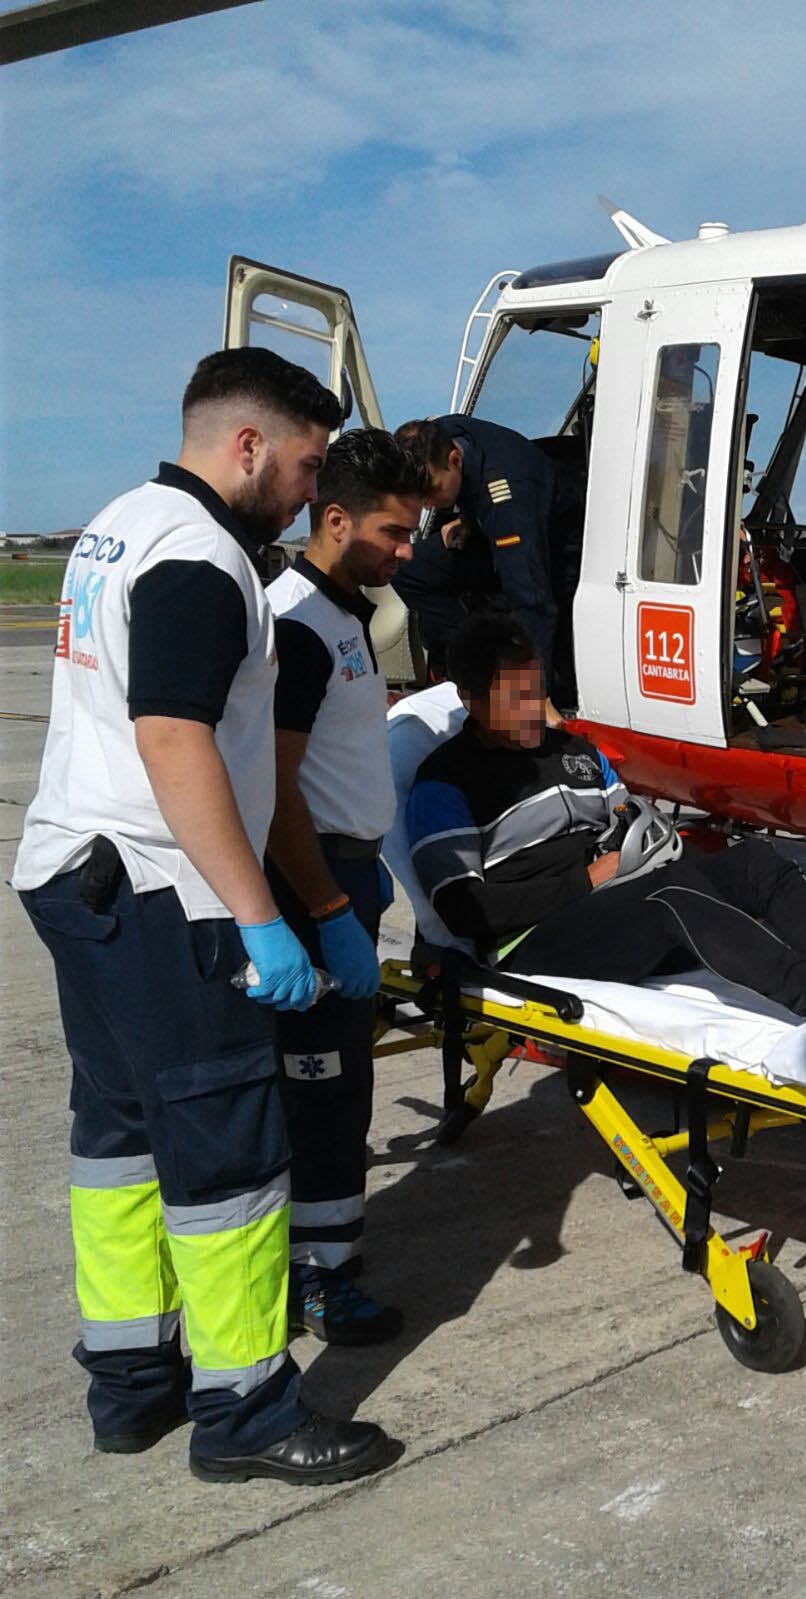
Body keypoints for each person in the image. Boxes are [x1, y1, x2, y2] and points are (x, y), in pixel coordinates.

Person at [14, 348, 400, 1483]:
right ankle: (248, 1413)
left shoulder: (115, 525)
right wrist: (259, 916)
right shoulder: (199, 556)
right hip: (156, 890)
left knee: (120, 1137)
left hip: (73, 874)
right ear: (247, 447)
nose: (307, 487)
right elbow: (175, 738)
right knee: (228, 1150)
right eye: (304, 462)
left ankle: (130, 1384)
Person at [406, 613, 806, 1011]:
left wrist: (646, 837)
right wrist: (590, 878)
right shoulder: (446, 781)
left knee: (753, 862)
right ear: (471, 699)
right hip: (536, 942)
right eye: (513, 696)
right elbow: (465, 911)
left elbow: (628, 816)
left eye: (535, 689)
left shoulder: (573, 753)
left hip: (623, 897)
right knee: (671, 898)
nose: (531, 707)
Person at [264, 429, 428, 1345]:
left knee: (344, 1081)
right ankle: (316, 1278)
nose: (406, 553)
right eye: (394, 534)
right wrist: (327, 910)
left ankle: (326, 1255)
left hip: (351, 874)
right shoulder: (296, 625)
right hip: (316, 877)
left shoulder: (345, 614)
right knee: (320, 1088)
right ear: (335, 519)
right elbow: (274, 785)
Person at [391, 415, 564, 687]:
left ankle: (496, 670)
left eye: (431, 491)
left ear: (455, 460)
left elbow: (534, 602)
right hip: (487, 529)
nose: (426, 506)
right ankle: (473, 654)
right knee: (408, 568)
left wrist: (528, 696)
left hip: (552, 551)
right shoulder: (440, 435)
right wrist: (469, 522)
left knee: (525, 597)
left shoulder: (506, 497)